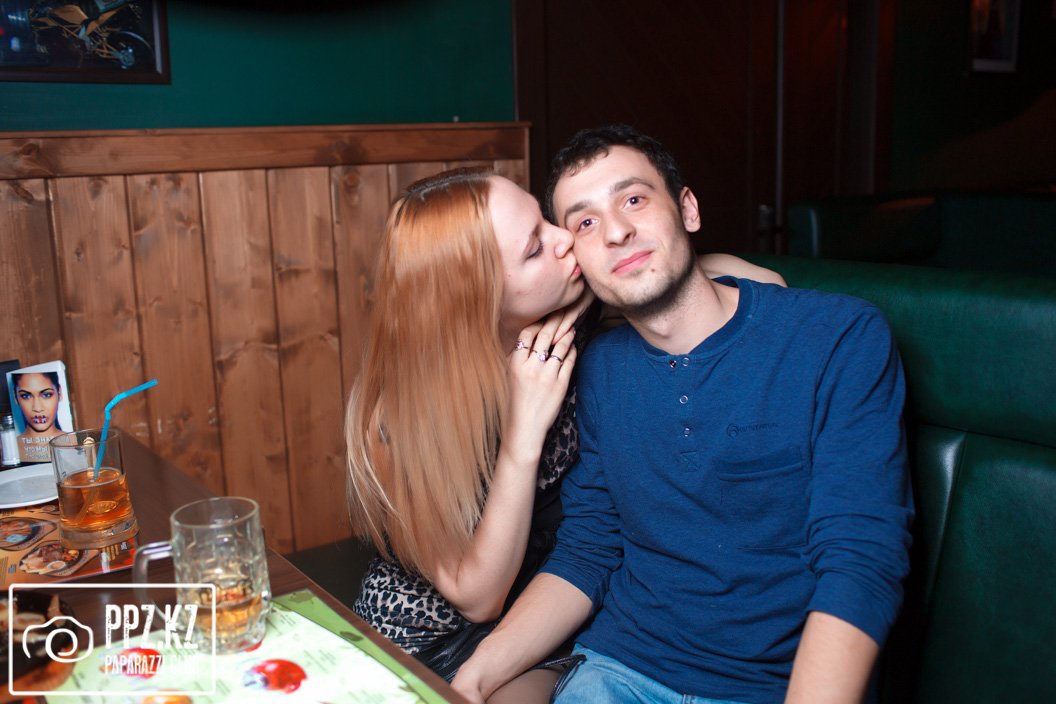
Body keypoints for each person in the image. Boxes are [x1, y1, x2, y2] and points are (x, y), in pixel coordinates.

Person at [452, 125, 914, 704]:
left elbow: (861, 559)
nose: (616, 231)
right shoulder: (599, 369)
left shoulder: (838, 335)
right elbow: (589, 550)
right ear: (577, 258)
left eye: (634, 199)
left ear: (688, 209)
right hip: (617, 670)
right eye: (585, 223)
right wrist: (472, 679)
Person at [344, 167, 785, 701]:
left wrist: (625, 280)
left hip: (551, 616)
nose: (564, 238)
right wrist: (523, 433)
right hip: (424, 638)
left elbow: (767, 285)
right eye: (535, 248)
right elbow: (477, 597)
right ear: (478, 298)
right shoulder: (399, 414)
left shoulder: (578, 315)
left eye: (544, 219)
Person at [12, 372, 66, 463]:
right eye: (26, 396)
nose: (37, 408)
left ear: (59, 393)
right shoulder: (10, 449)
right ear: (15, 397)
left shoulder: (76, 443)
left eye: (46, 395)